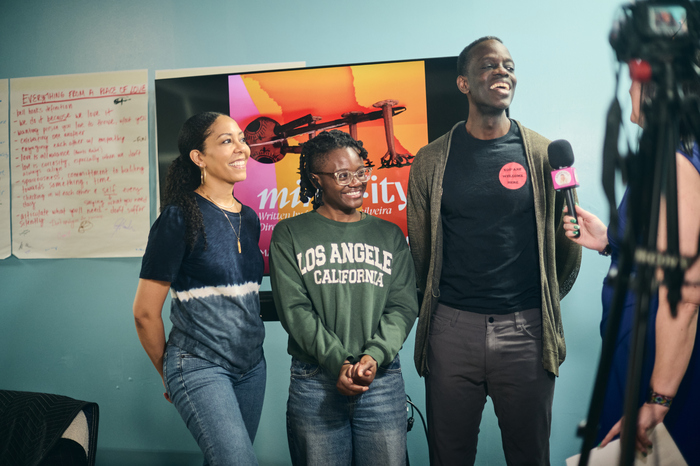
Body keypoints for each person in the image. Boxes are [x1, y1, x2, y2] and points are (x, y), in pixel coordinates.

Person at [407, 36, 581, 465]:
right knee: (449, 455)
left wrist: (540, 302)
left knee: (529, 455)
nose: (502, 71)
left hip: (526, 332)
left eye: (508, 65)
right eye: (489, 65)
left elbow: (567, 243)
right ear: (464, 83)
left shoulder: (544, 153)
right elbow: (421, 247)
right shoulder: (430, 160)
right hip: (451, 331)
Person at [563, 80, 700, 464]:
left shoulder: (677, 160)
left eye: (636, 82)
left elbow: (686, 293)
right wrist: (610, 240)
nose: (628, 93)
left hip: (658, 351)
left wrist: (658, 400)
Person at [269, 130, 419, 466]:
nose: (355, 182)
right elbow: (295, 311)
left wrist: (374, 356)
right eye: (342, 175)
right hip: (315, 382)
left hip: (379, 379)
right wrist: (340, 362)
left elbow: (403, 306)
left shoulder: (389, 235)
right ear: (315, 179)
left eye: (360, 172)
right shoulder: (289, 235)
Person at [133, 112, 265, 465]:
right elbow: (145, 313)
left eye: (242, 138)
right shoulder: (179, 217)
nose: (243, 148)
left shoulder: (250, 218)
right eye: (227, 141)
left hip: (252, 367)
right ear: (199, 157)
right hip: (199, 364)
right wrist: (171, 376)